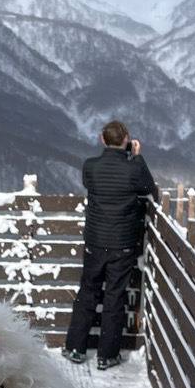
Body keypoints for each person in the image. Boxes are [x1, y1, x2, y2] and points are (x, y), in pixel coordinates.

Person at [62, 119, 156, 369]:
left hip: (94, 242)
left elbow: (96, 184)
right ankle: (107, 355)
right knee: (115, 297)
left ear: (102, 140)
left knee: (88, 293)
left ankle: (75, 348)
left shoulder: (90, 167)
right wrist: (136, 157)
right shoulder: (133, 169)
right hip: (123, 245)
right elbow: (148, 187)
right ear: (126, 139)